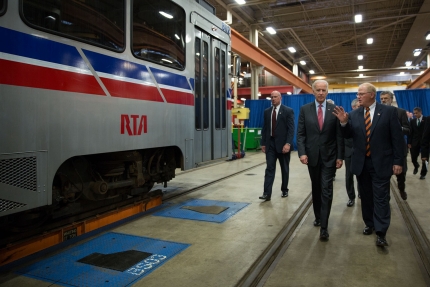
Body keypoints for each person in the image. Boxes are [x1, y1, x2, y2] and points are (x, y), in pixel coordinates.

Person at [333, 83, 404, 247]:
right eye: (358, 94)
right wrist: (344, 123)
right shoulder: (354, 114)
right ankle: (369, 223)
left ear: (372, 94)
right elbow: (348, 135)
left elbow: (397, 139)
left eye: (361, 93)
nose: (358, 96)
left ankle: (381, 232)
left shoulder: (389, 112)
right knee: (366, 197)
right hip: (361, 163)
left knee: (380, 198)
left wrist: (398, 161)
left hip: (382, 162)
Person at [296, 80, 344, 240]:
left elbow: (339, 135)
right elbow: (301, 133)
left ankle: (324, 226)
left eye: (324, 90)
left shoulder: (334, 110)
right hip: (312, 157)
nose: (321, 93)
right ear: (313, 91)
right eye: (318, 90)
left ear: (327, 92)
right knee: (316, 189)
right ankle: (318, 216)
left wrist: (340, 156)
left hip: (330, 157)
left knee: (326, 189)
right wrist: (302, 153)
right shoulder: (305, 110)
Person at [259, 91, 295, 201]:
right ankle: (267, 193)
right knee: (269, 168)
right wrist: (263, 143)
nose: (273, 99)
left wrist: (288, 143)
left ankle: (284, 190)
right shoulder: (267, 112)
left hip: (283, 146)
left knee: (284, 169)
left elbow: (291, 129)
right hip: (270, 145)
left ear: (280, 98)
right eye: (271, 97)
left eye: (275, 97)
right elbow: (265, 128)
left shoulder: (288, 111)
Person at [380, 91, 410, 200]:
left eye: (386, 98)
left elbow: (407, 129)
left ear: (391, 99)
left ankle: (401, 189)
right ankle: (386, 197)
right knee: (384, 176)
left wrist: (397, 129)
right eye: (382, 98)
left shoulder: (401, 112)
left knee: (401, 175)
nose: (383, 100)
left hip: (399, 149)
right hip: (384, 150)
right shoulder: (378, 113)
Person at [344, 99, 360, 207]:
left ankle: (361, 193)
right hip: (349, 151)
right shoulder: (347, 117)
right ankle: (351, 197)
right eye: (358, 106)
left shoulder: (366, 117)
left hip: (361, 152)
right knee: (349, 176)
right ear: (353, 107)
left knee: (361, 175)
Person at [408, 107, 427, 180]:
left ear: (420, 112)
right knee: (413, 157)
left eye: (416, 113)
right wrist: (409, 142)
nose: (415, 114)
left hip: (425, 142)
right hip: (414, 142)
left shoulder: (426, 120)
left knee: (424, 159)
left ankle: (423, 173)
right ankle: (416, 165)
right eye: (414, 113)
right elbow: (410, 133)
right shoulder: (412, 121)